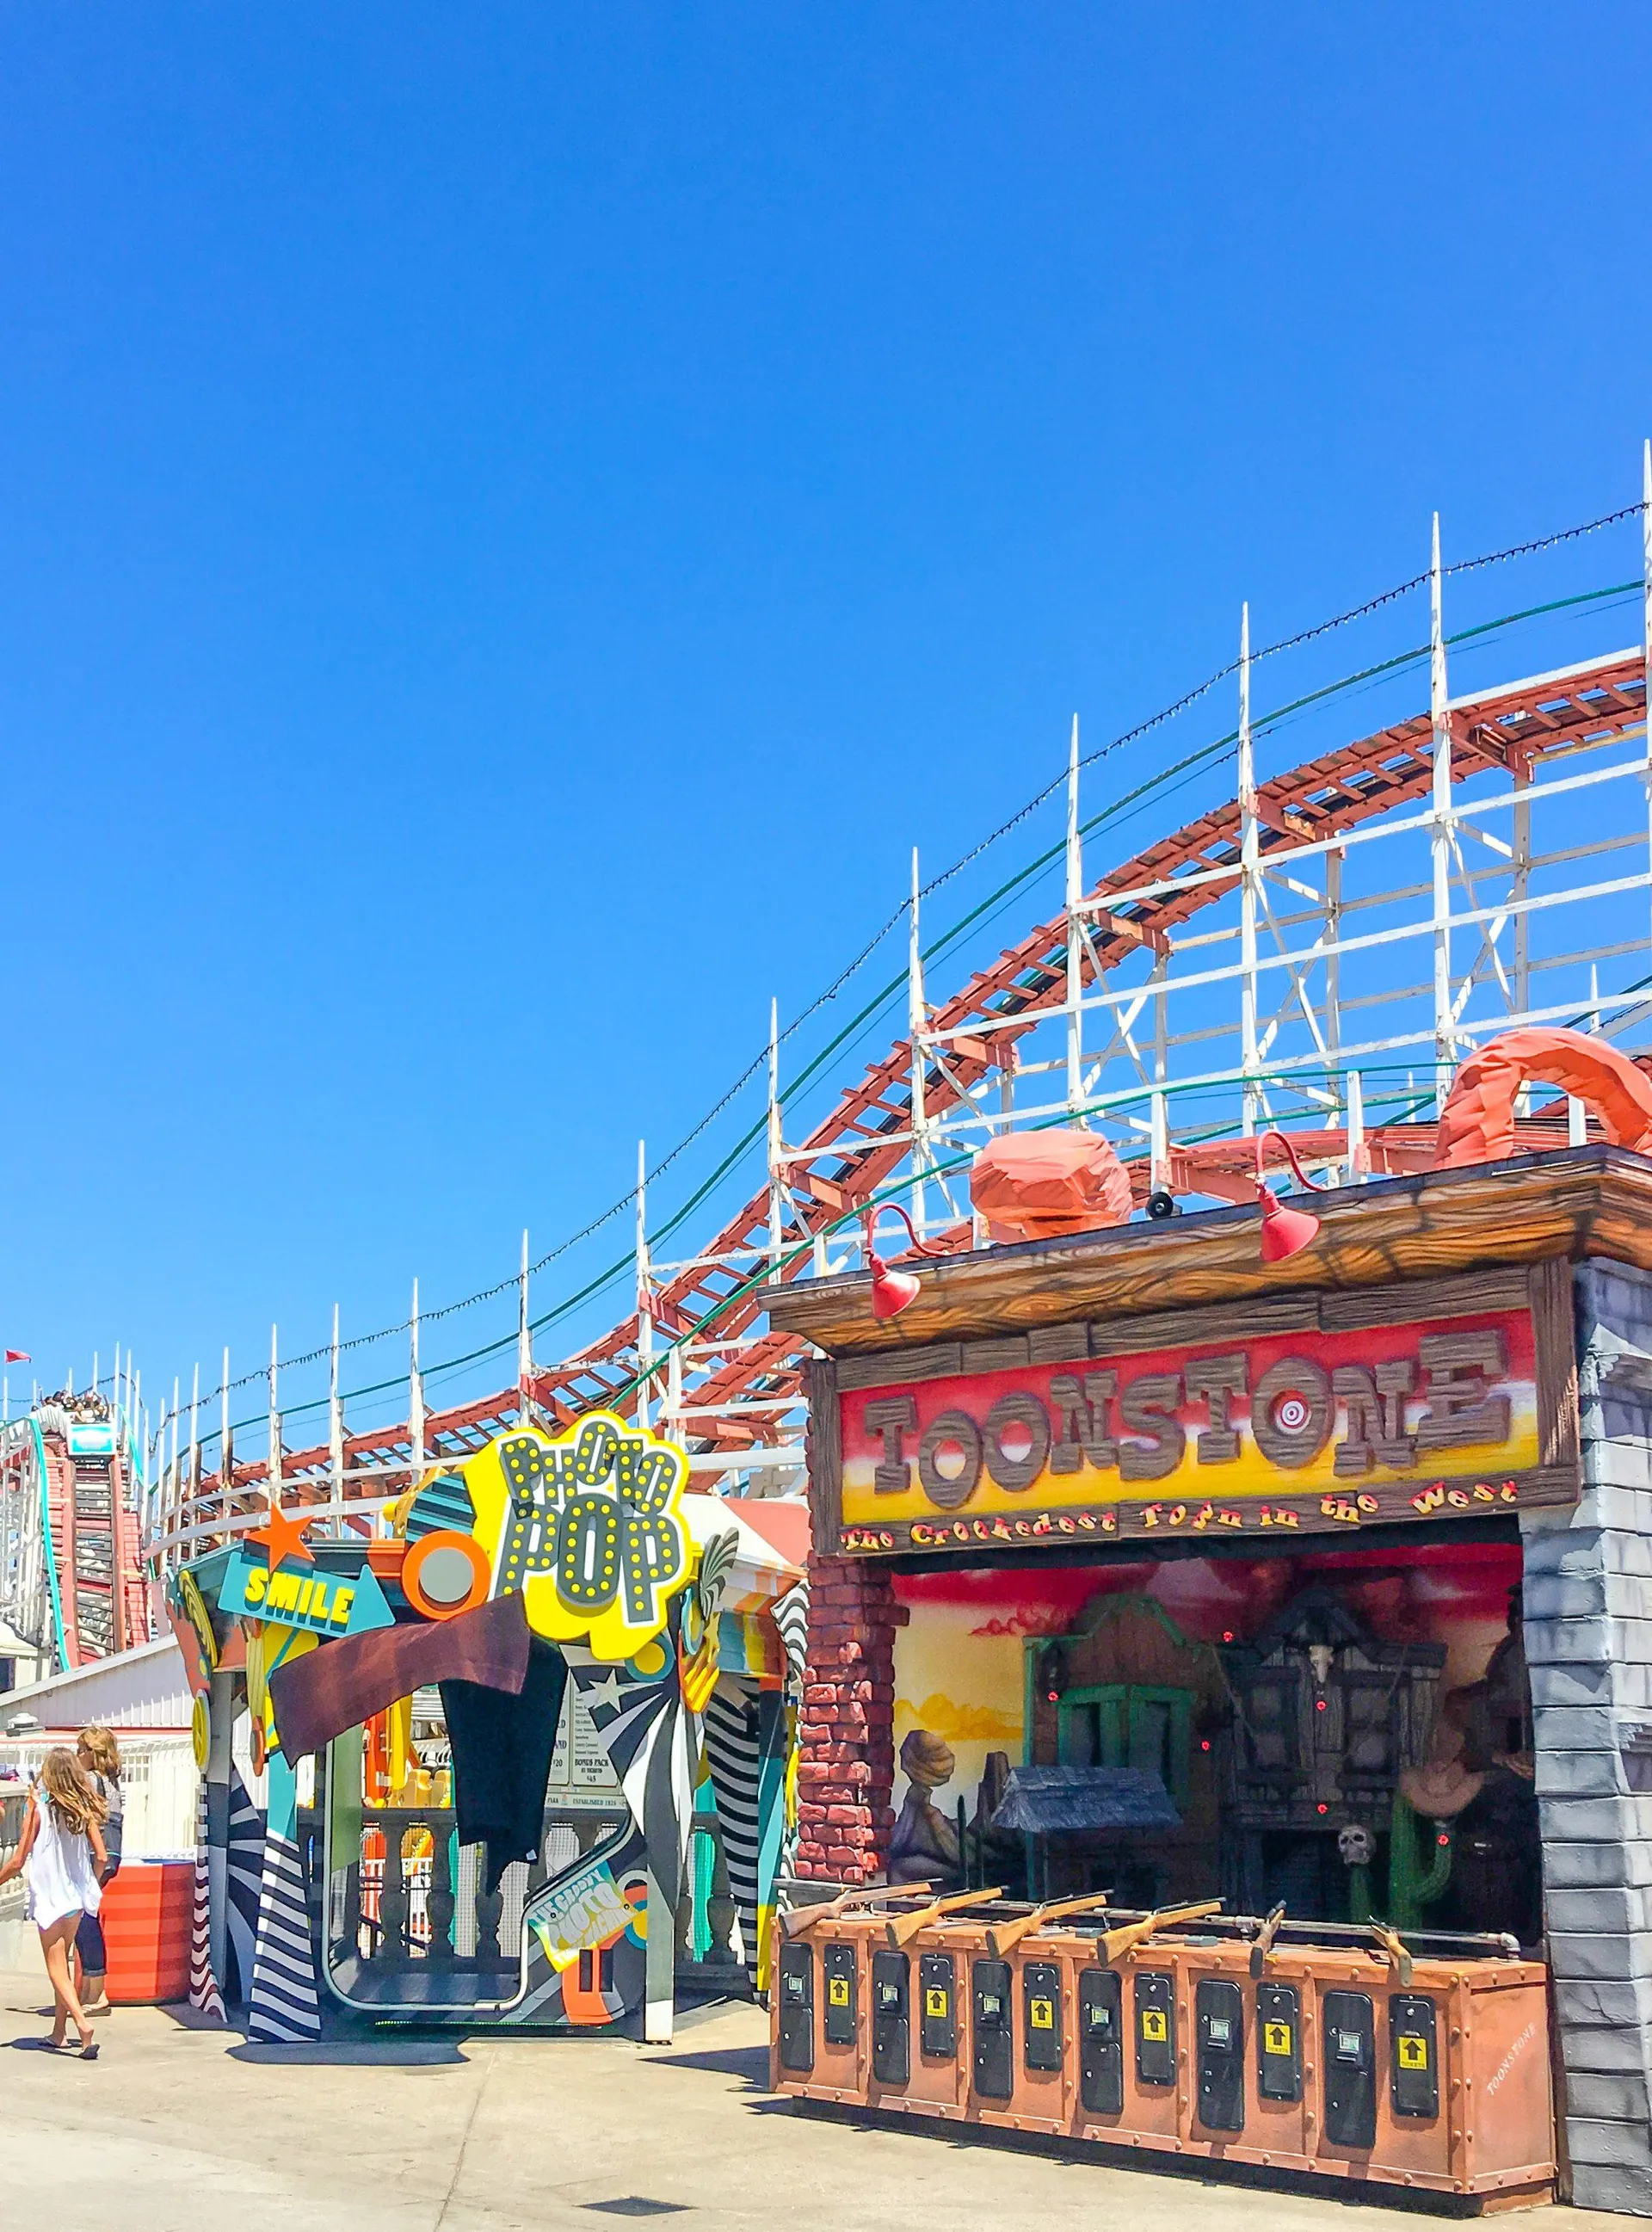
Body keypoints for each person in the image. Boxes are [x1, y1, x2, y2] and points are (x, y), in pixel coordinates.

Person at [0, 1747, 108, 2056]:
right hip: (75, 1897)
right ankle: (59, 2032)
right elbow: (101, 1856)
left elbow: (19, 1859)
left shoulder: (39, 1809)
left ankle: (82, 2026)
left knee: (56, 1968)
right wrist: (90, 1883)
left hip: (50, 1897)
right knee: (65, 1963)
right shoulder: (82, 1809)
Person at [74, 1726, 123, 2016]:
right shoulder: (110, 1780)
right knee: (84, 1918)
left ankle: (97, 1991)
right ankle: (90, 1989)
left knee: (84, 1919)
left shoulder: (92, 1779)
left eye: (81, 1750)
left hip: (97, 1854)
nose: (77, 1755)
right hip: (109, 1852)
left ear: (94, 1753)